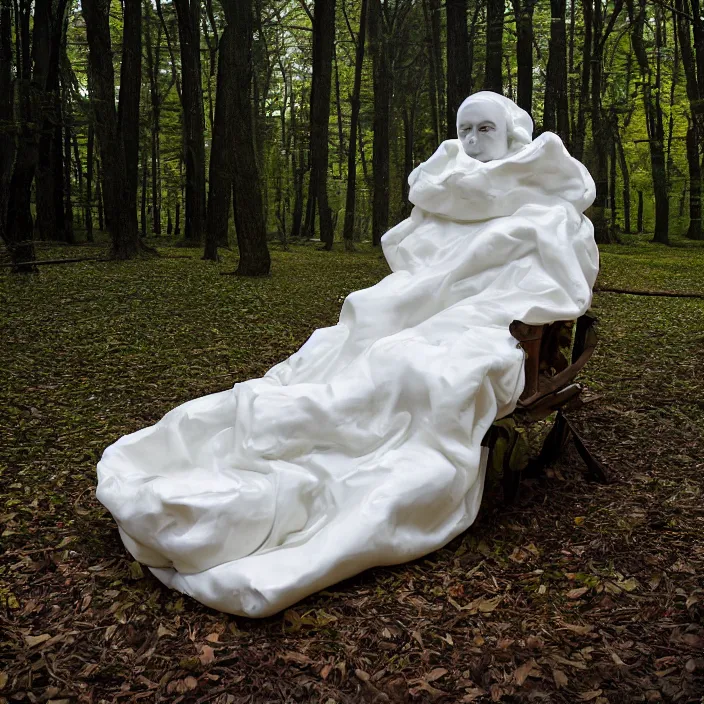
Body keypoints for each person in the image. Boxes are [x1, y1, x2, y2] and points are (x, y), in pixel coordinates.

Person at [96, 92, 598, 617]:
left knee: (418, 369)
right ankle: (285, 436)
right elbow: (415, 270)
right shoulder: (445, 191)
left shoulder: (544, 206)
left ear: (514, 132)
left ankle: (321, 455)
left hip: (486, 325)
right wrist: (406, 304)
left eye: (485, 130)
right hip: (409, 313)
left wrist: (478, 316)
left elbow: (550, 285)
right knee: (338, 351)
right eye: (464, 129)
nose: (471, 142)